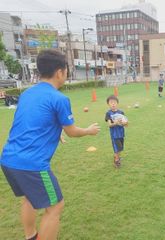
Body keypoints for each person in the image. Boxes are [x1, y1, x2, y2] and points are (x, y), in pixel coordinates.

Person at [0, 49, 100, 240]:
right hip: (31, 164)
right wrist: (88, 130)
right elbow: (72, 131)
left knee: (30, 197)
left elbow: (31, 123)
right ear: (60, 72)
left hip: (8, 159)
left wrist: (55, 133)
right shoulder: (59, 98)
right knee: (55, 206)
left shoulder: (28, 93)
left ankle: (30, 236)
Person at [105, 95, 128, 168]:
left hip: (121, 133)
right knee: (116, 148)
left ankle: (118, 156)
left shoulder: (121, 112)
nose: (113, 104)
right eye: (111, 102)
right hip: (114, 135)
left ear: (117, 103)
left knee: (120, 147)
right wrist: (116, 123)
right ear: (108, 104)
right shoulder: (108, 113)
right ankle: (116, 161)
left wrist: (124, 123)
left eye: (114, 102)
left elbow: (125, 123)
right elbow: (109, 125)